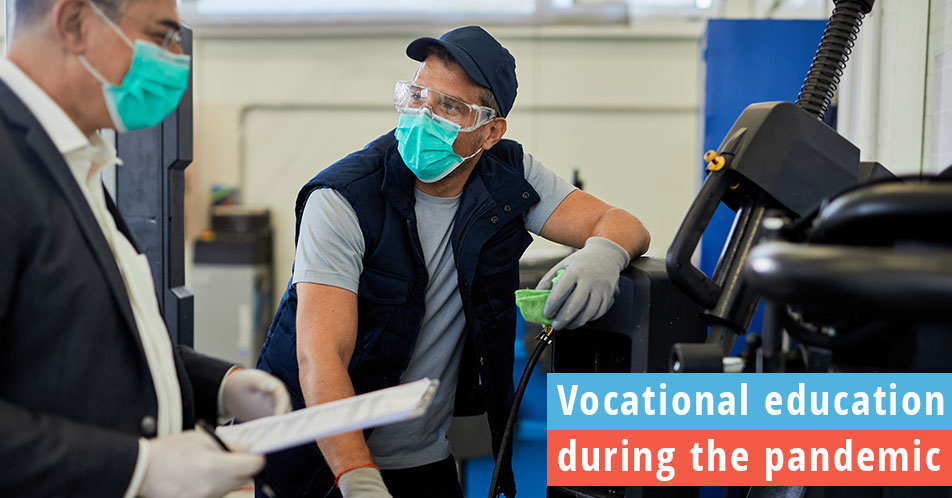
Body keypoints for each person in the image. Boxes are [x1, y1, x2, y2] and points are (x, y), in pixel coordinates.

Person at [256, 26, 650, 498]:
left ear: (490, 132)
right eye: (418, 94)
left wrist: (603, 255)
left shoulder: (508, 176)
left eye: (448, 106)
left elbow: (620, 222)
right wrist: (357, 478)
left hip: (425, 459)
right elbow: (321, 356)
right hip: (317, 461)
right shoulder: (344, 200)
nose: (423, 116)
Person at [0, 1, 292, 497]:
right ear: (73, 23)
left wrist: (217, 385)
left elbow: (90, 340)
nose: (178, 57)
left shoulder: (79, 159)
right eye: (162, 37)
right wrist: (139, 468)